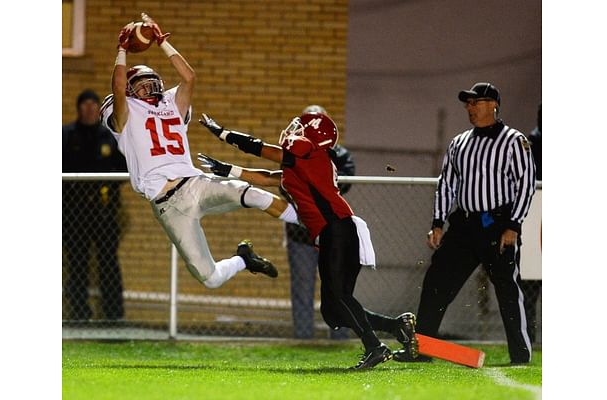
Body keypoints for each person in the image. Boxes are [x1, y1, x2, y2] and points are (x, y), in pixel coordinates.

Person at [196, 112, 417, 370]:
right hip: (337, 231)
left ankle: (374, 346)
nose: (295, 132)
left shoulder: (309, 152)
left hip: (336, 228)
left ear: (312, 136)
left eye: (301, 128)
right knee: (333, 310)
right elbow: (268, 176)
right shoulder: (307, 163)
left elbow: (263, 150)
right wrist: (230, 170)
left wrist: (223, 133)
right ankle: (396, 325)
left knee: (338, 297)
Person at [99, 14, 300, 289]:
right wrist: (121, 50)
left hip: (193, 183)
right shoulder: (125, 113)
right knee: (210, 278)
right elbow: (118, 89)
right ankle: (244, 260)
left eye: (151, 81)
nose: (149, 86)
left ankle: (315, 229)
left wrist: (162, 43)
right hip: (167, 204)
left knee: (253, 194)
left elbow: (189, 77)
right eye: (141, 84)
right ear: (132, 91)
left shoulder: (171, 103)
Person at [397, 82, 536, 365]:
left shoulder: (514, 141)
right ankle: (422, 349)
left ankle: (520, 355)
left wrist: (514, 224)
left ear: (493, 105)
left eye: (476, 102)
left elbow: (526, 184)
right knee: (436, 281)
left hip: (497, 224)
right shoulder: (459, 143)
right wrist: (438, 222)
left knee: (507, 289)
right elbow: (447, 184)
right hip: (464, 225)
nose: (470, 108)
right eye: (468, 104)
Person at [283, 105, 355, 340]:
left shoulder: (339, 153)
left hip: (332, 230)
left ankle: (341, 336)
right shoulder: (291, 151)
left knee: (338, 285)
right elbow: (283, 184)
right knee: (302, 285)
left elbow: (345, 180)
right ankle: (303, 337)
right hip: (301, 231)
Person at [63, 89, 128, 322]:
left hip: (104, 213)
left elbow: (123, 169)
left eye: (93, 104)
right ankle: (80, 314)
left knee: (108, 262)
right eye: (85, 104)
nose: (89, 108)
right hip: (73, 213)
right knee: (77, 263)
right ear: (79, 108)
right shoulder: (65, 135)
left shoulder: (108, 137)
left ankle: (114, 315)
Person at [521, 103, 542, 344]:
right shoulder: (531, 144)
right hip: (536, 216)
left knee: (530, 287)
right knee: (529, 286)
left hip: (536, 216)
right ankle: (529, 337)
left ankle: (530, 337)